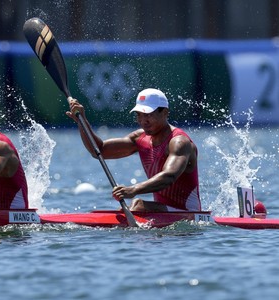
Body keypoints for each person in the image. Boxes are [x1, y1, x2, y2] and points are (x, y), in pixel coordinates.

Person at [66, 88, 201, 212]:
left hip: (187, 213)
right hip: (162, 212)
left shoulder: (179, 142)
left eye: (148, 114)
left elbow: (169, 176)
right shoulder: (139, 138)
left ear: (165, 113)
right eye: (139, 115)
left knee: (137, 205)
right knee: (133, 207)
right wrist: (82, 122)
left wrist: (134, 189)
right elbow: (99, 150)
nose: (143, 121)